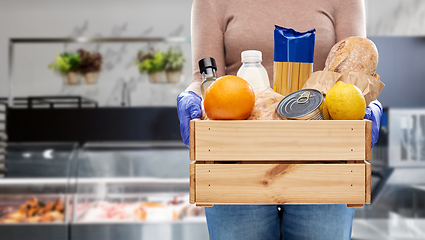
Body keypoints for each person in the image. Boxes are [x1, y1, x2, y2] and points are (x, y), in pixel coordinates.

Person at [177, 0, 383, 239]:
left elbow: (355, 74)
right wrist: (192, 96)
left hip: (322, 165)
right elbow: (204, 76)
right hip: (236, 164)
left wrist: (365, 101)